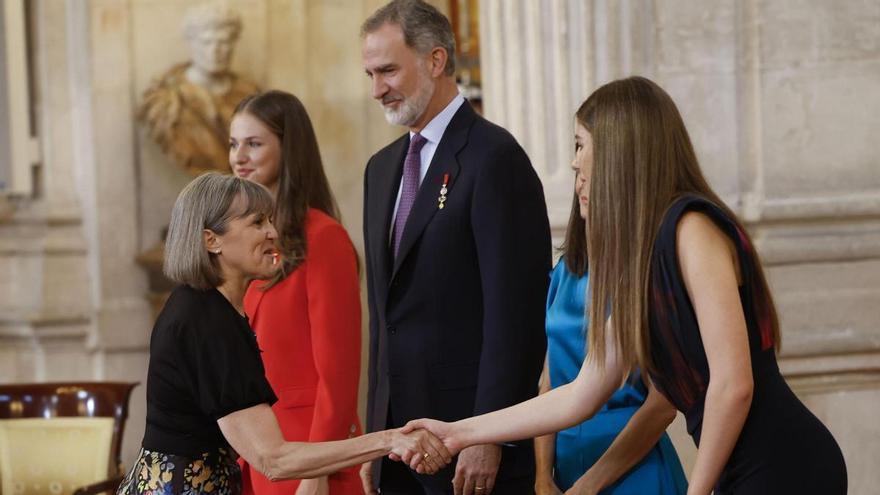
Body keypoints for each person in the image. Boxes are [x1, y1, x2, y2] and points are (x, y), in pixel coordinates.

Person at [406, 77, 848, 495]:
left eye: (581, 145)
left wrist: (697, 490)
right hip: (745, 466)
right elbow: (580, 394)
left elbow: (734, 385)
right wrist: (459, 431)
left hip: (785, 463)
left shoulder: (690, 227)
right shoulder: (649, 252)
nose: (575, 163)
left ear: (621, 152)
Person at [117, 173, 451, 495]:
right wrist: (390, 440)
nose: (273, 232)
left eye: (270, 220)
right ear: (211, 240)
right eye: (257, 223)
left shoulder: (205, 306)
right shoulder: (205, 321)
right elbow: (273, 459)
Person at [359, 1, 551, 493]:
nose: (377, 89)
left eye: (388, 71)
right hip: (399, 443)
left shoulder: (494, 158)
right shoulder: (380, 170)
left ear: (436, 61)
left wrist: (491, 436)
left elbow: (517, 316)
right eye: (370, 73)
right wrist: (376, 442)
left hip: (467, 443)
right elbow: (385, 319)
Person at [228, 90, 364, 495]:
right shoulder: (245, 242)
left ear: (290, 149)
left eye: (254, 144)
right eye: (234, 144)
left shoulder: (324, 238)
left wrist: (317, 469)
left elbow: (338, 375)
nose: (239, 157)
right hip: (258, 455)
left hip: (309, 455)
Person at [534, 153, 688, 493]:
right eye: (576, 172)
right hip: (566, 467)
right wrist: (542, 476)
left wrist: (589, 486)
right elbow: (549, 381)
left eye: (592, 172)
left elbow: (662, 405)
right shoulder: (563, 273)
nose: (580, 178)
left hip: (634, 470)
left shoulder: (642, 275)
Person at [139, 1, 258, 175]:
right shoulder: (165, 100)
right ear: (191, 43)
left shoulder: (250, 93)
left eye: (223, 42)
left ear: (234, 44)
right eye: (207, 42)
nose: (215, 50)